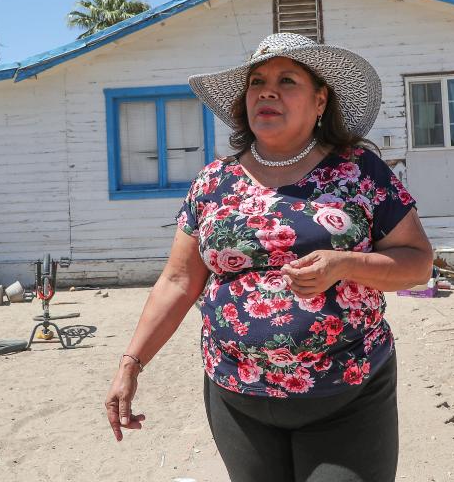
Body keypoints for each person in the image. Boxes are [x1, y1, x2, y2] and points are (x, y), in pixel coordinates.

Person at [105, 32, 434, 482]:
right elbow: (179, 282)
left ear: (320, 101)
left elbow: (418, 264)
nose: (268, 90)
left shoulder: (358, 170)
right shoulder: (214, 181)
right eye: (257, 81)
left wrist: (344, 264)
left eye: (287, 80)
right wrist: (130, 365)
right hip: (237, 398)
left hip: (346, 396)